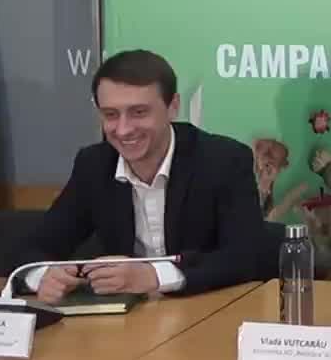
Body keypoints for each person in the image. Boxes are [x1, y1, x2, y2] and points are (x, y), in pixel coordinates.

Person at [27, 49, 272, 301]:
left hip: (211, 308)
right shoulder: (94, 165)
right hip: (133, 318)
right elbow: (34, 247)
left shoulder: (223, 160)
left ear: (172, 107)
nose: (123, 130)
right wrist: (44, 276)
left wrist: (154, 276)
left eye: (139, 112)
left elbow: (246, 257)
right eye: (111, 115)